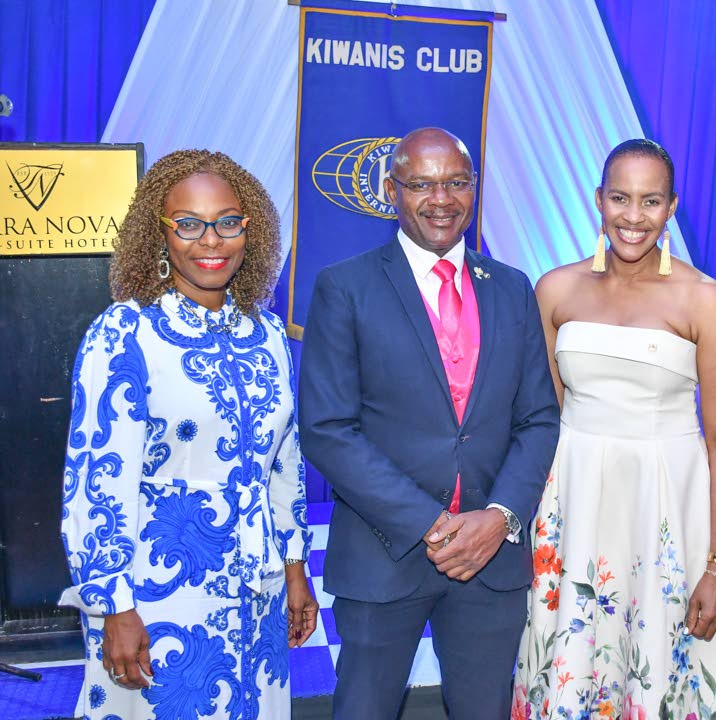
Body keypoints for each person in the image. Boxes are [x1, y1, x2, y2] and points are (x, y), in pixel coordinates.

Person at [298, 127, 560, 719]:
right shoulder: (346, 287)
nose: (441, 198)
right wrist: (433, 525)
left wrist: (498, 519)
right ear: (393, 190)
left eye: (456, 182)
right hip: (383, 554)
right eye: (421, 183)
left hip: (490, 560)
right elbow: (328, 429)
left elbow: (540, 419)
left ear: (474, 189)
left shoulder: (513, 288)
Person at [60, 149, 318, 719]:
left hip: (261, 588)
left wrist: (296, 569)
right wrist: (111, 608)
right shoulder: (125, 333)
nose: (211, 240)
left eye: (228, 222)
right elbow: (98, 481)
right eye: (189, 224)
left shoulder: (268, 333)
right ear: (160, 233)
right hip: (158, 598)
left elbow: (284, 464)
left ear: (249, 229)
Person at [513, 139, 716, 719]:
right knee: (569, 660)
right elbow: (543, 418)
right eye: (620, 197)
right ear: (598, 200)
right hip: (572, 505)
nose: (633, 217)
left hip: (665, 509)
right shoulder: (555, 290)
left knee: (661, 663)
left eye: (651, 201)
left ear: (671, 207)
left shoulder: (705, 299)